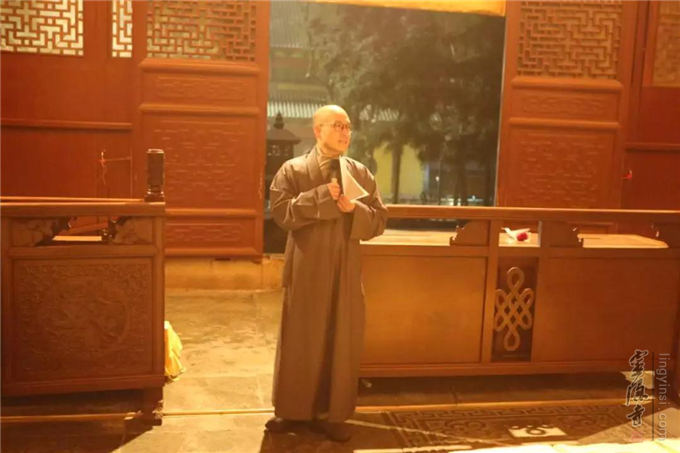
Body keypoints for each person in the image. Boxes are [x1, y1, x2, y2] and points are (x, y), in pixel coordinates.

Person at [265, 105, 388, 442]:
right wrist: (319, 197)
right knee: (300, 337)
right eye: (338, 126)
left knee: (340, 336)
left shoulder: (360, 173)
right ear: (317, 130)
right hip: (306, 265)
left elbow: (379, 220)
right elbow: (281, 214)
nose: (345, 132)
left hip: (345, 266)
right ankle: (291, 410)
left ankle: (332, 414)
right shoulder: (292, 170)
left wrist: (355, 209)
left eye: (348, 126)